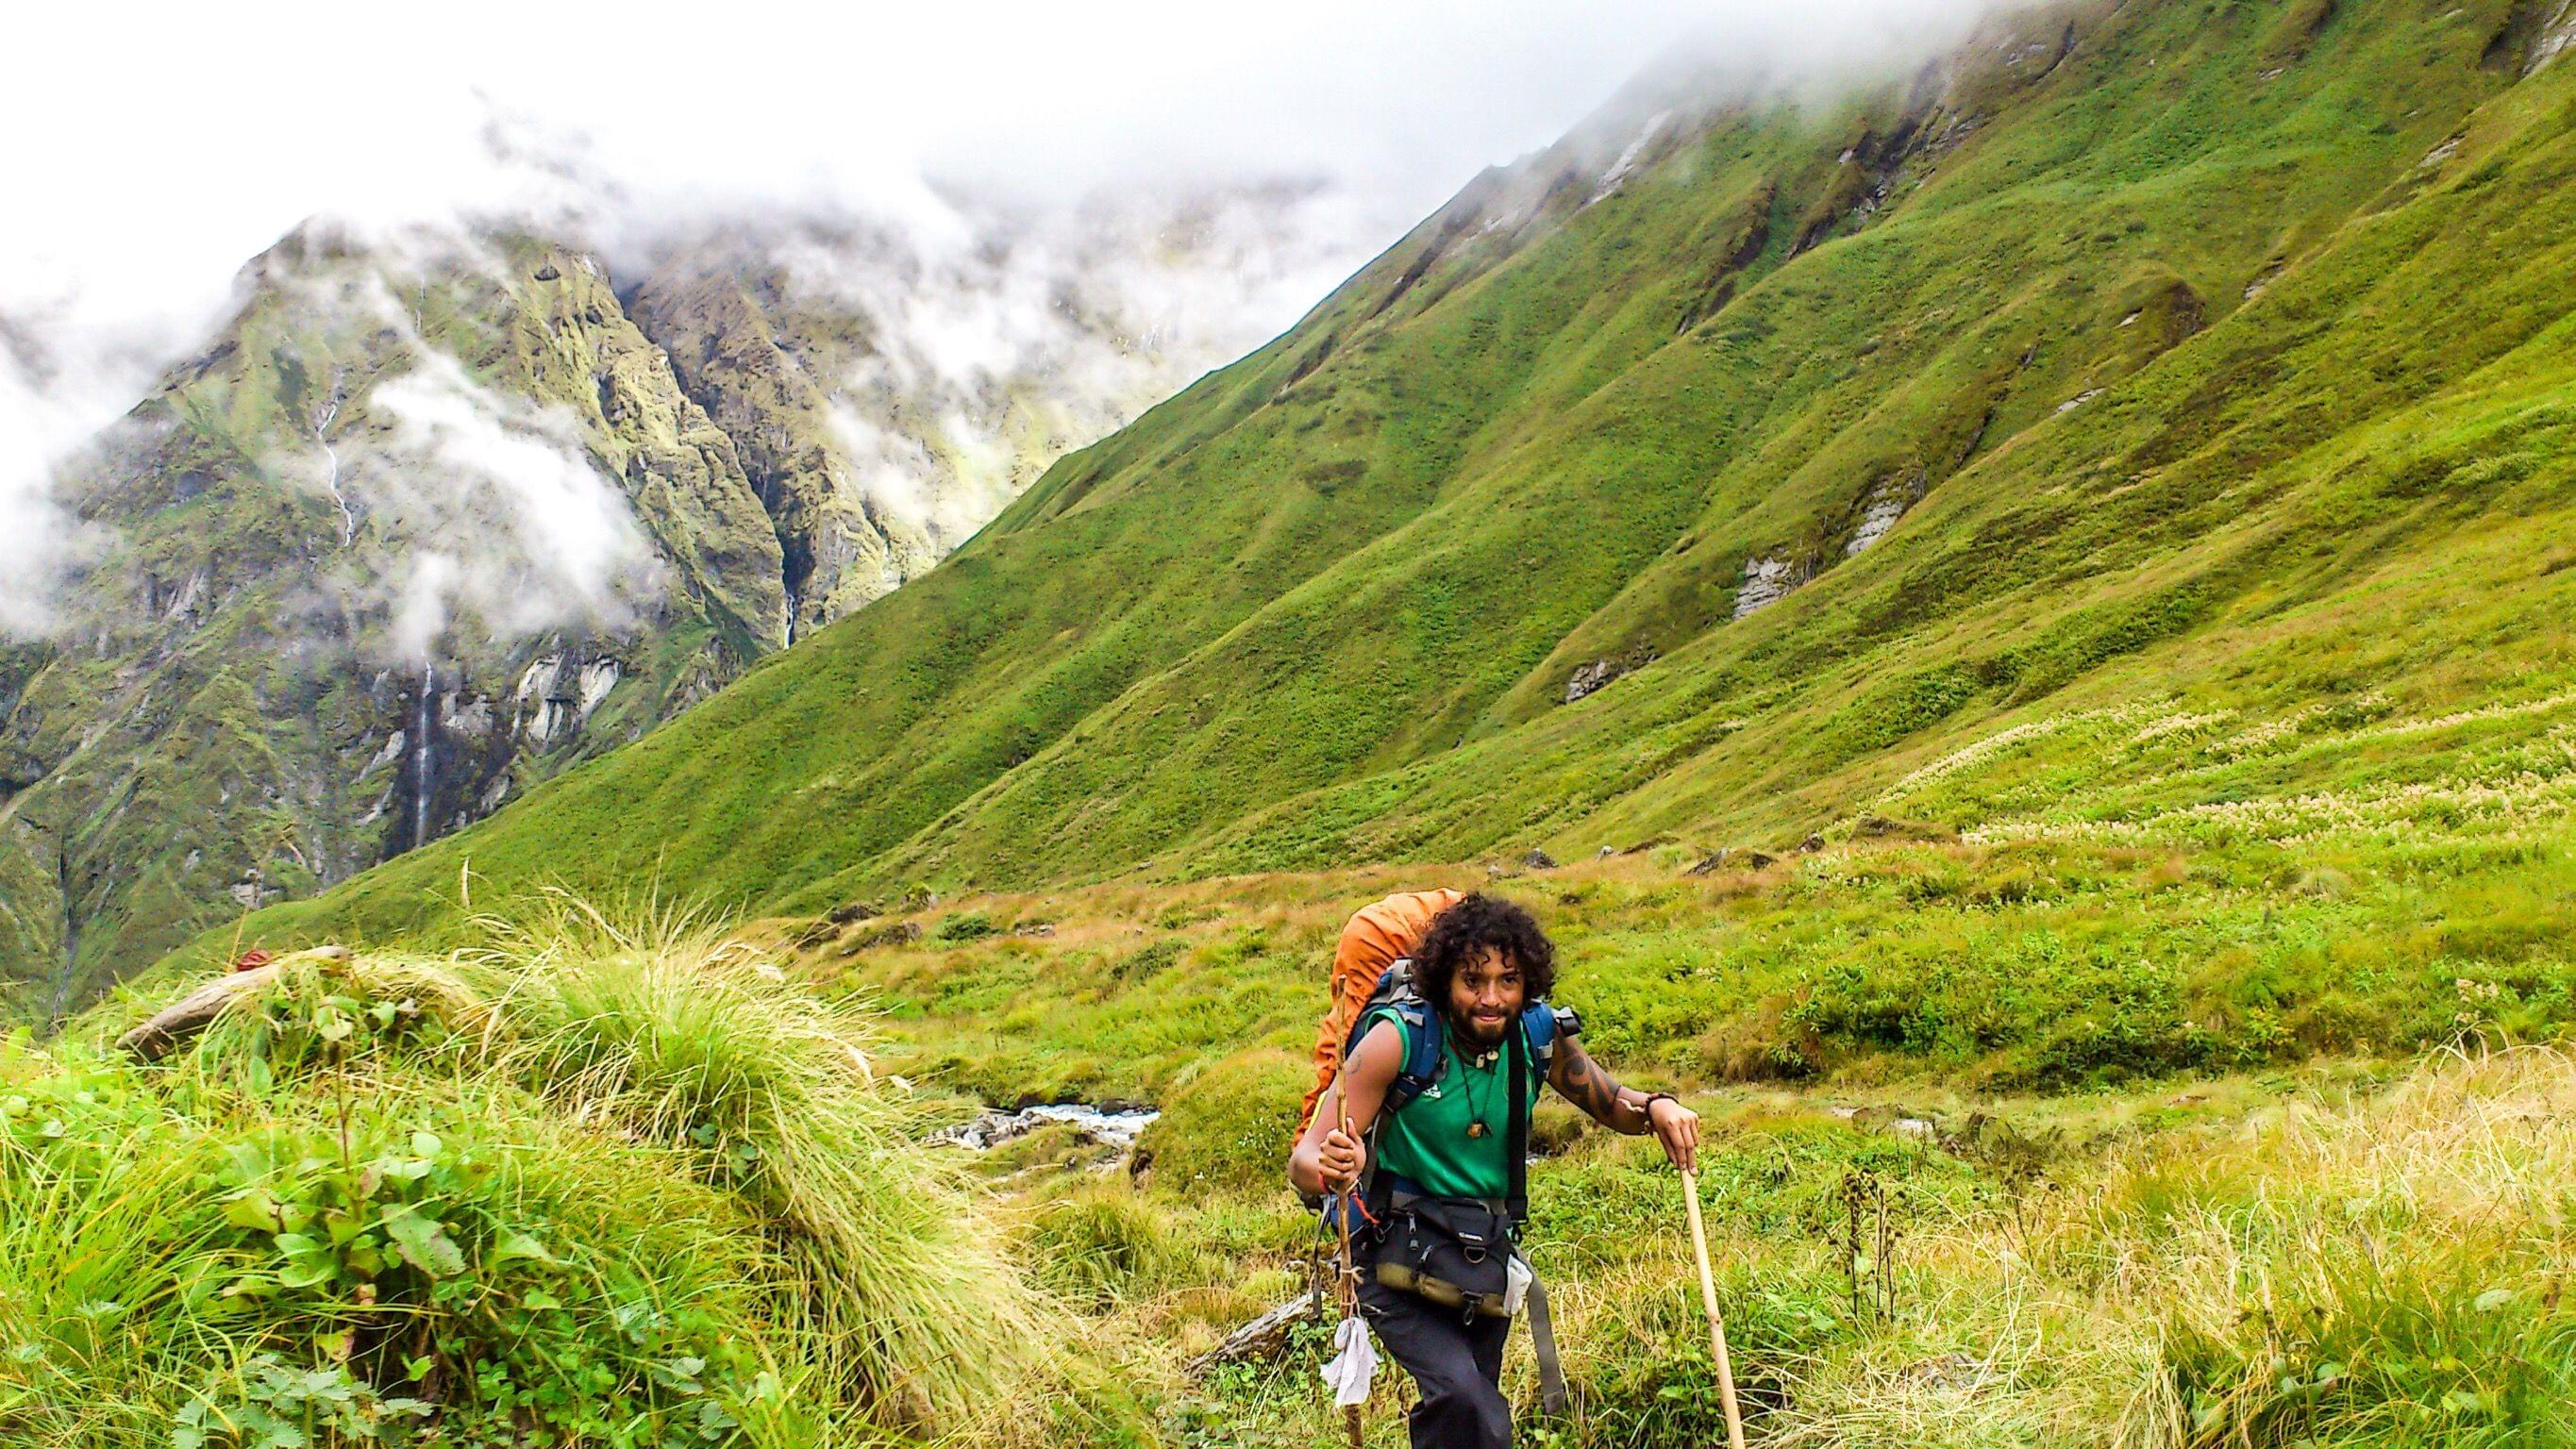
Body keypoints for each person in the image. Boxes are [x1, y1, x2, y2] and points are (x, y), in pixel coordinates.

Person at [1287, 893, 1700, 1448]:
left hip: (1480, 1263)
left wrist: (1657, 1108)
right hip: (1390, 1261)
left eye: (1508, 980)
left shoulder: (1535, 1034)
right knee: (1471, 1406)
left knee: (1469, 1419)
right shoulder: (1396, 1039)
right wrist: (1335, 1165)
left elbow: (1610, 1102)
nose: (1491, 998)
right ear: (1444, 980)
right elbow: (1304, 1161)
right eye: (1472, 981)